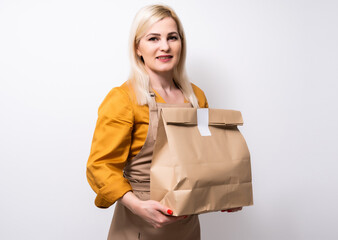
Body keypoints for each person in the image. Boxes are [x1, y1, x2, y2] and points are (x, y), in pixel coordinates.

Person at [86, 4, 241, 239]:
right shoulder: (123, 99)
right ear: (138, 47)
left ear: (181, 43)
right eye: (153, 38)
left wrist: (223, 193)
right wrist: (138, 206)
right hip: (138, 224)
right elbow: (100, 166)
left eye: (172, 37)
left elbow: (205, 157)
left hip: (186, 226)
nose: (165, 46)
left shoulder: (196, 97)